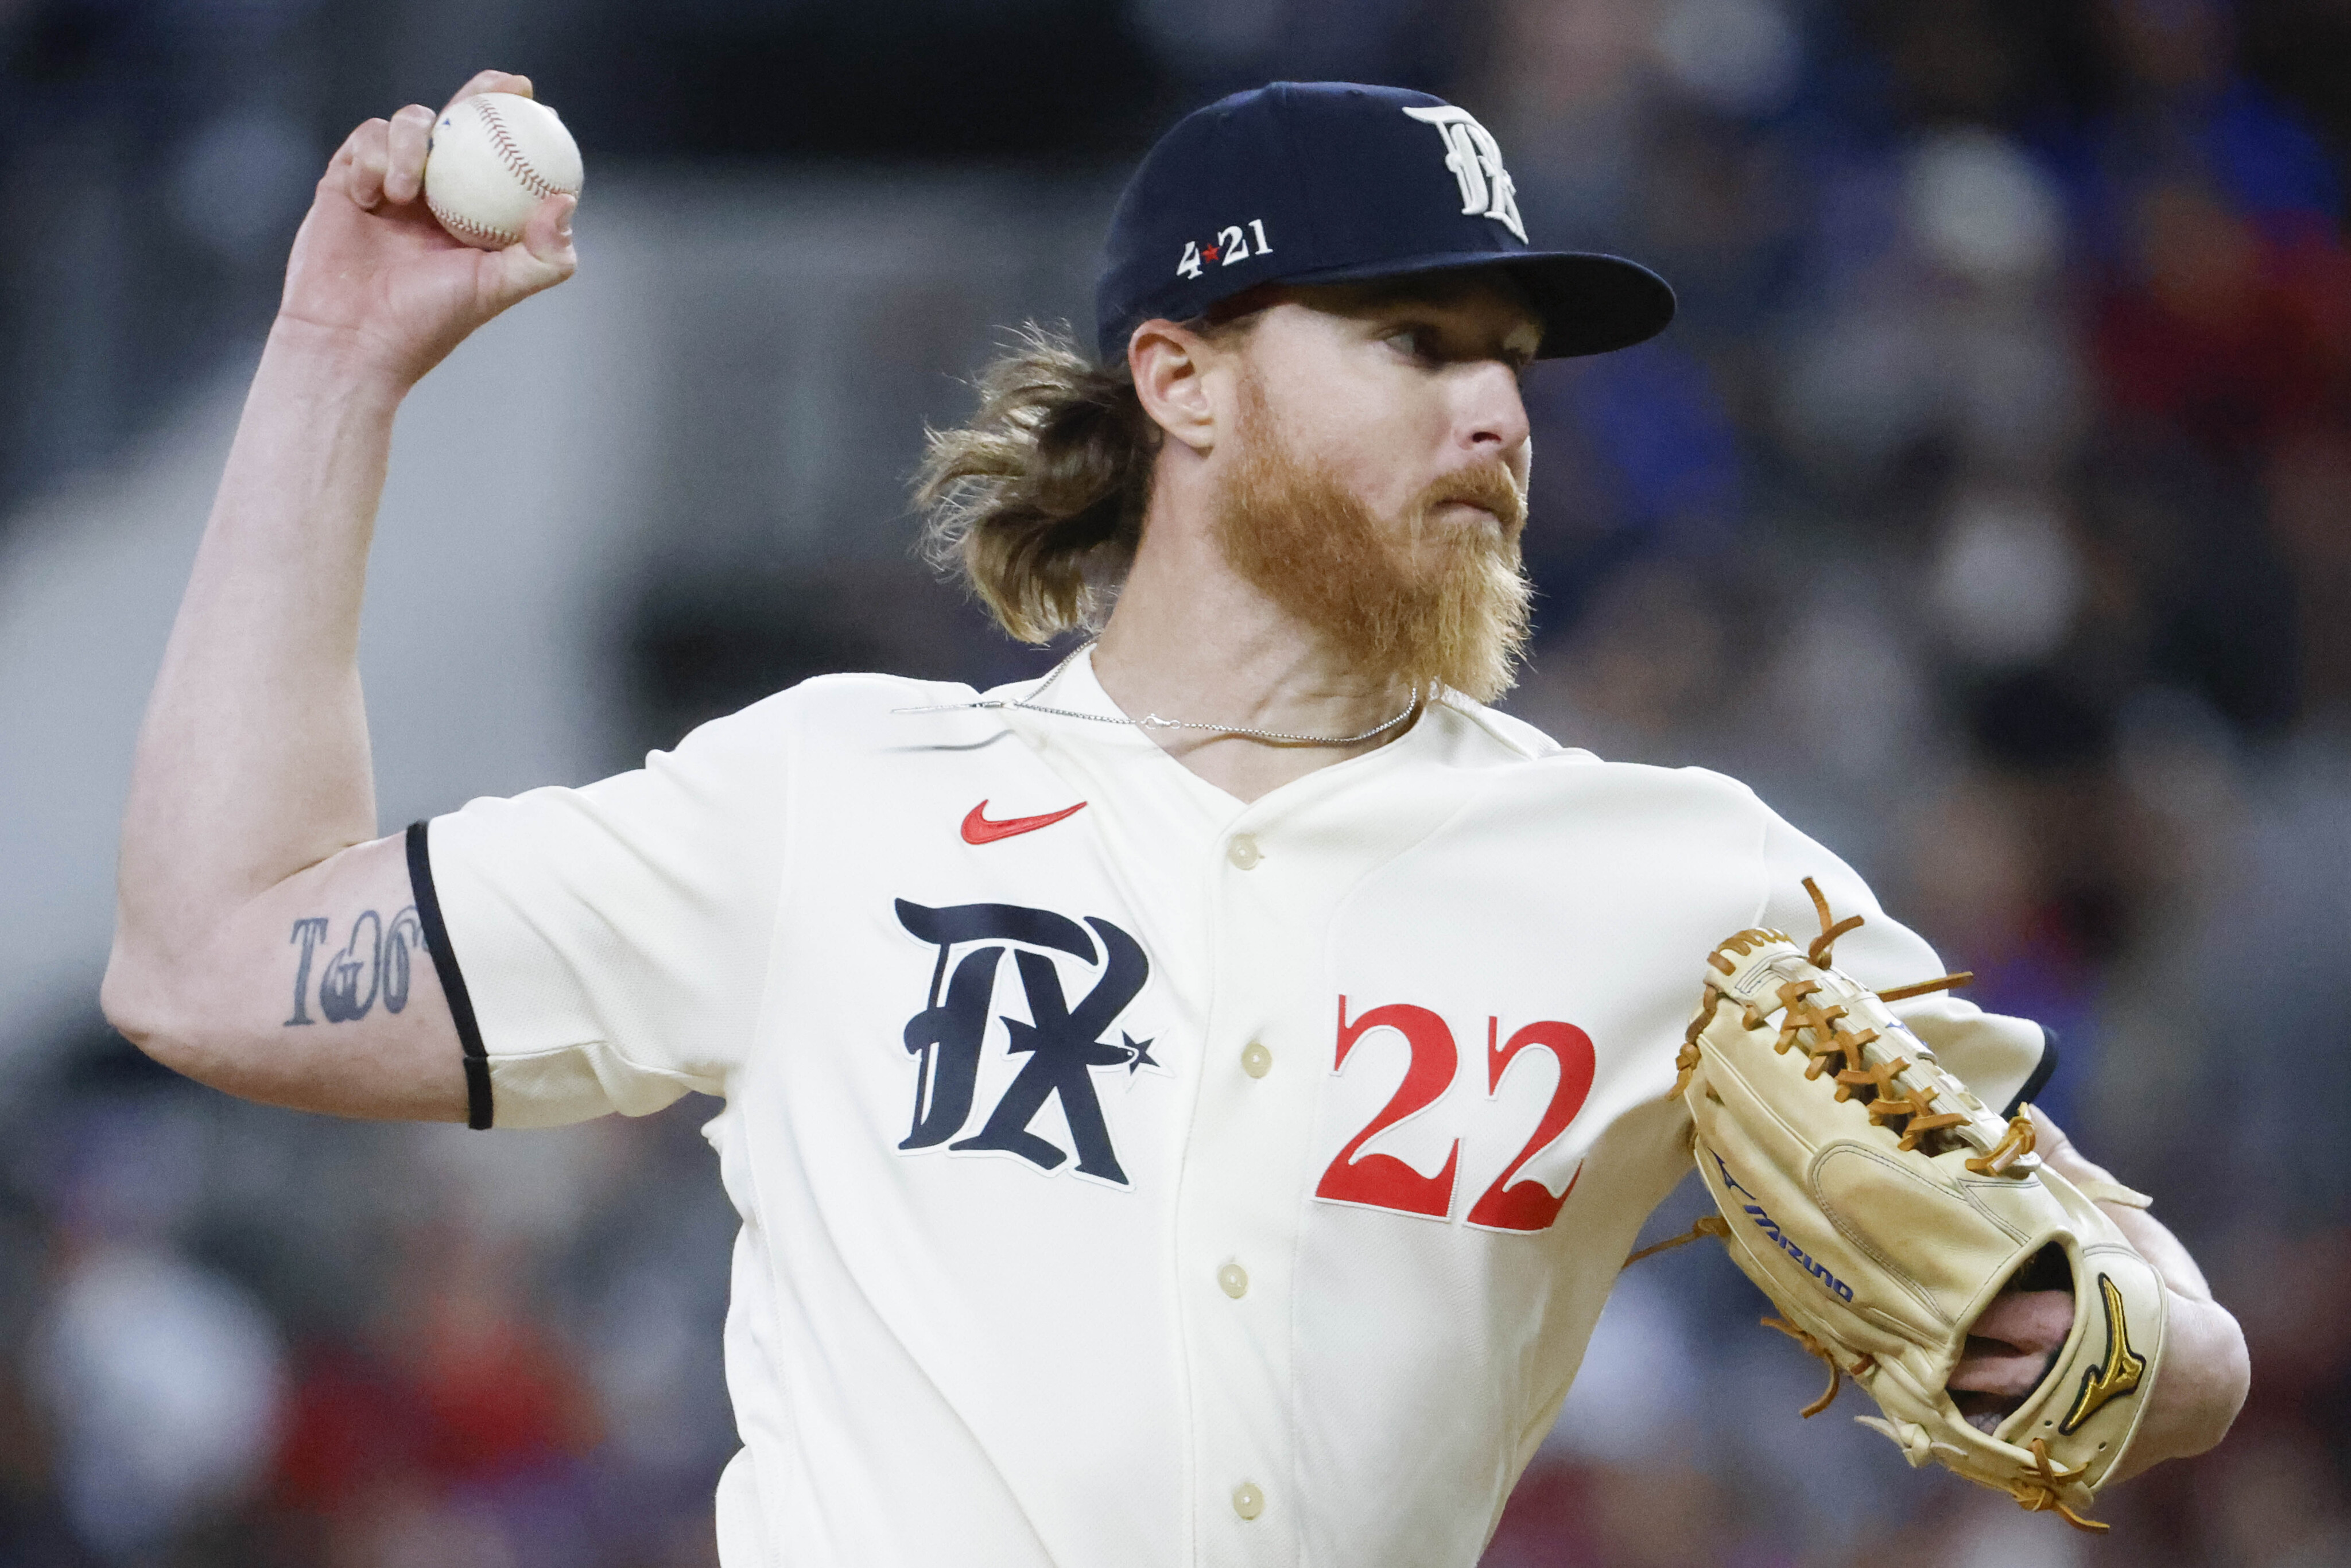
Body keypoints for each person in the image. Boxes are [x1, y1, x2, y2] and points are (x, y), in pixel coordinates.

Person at [103, 72, 2247, 1566]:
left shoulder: (1677, 879)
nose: (1498, 405)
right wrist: (336, 360)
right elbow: (216, 959)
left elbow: (2172, 1331)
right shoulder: (830, 798)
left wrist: (2080, 1326)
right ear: (1182, 378)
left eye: (1516, 357)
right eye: (1415, 335)